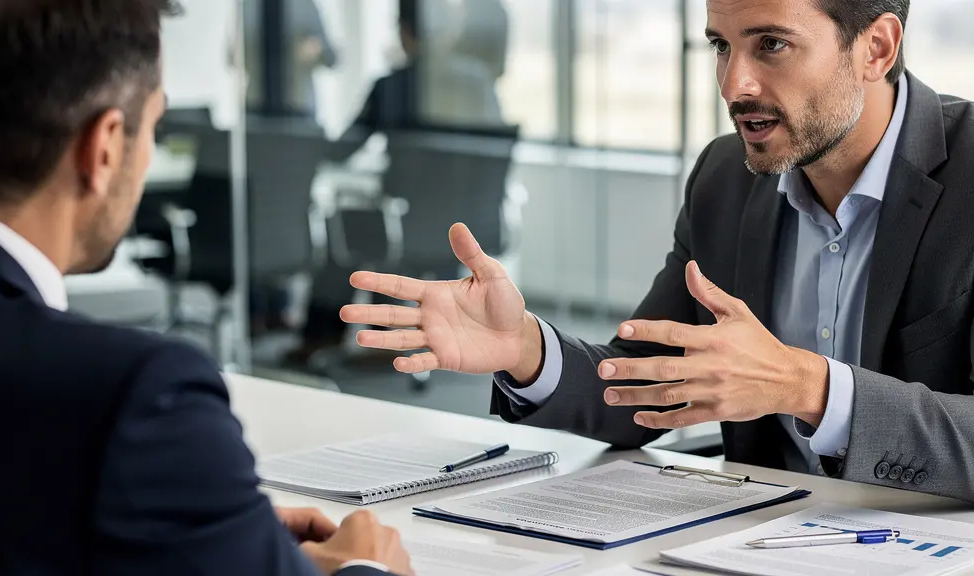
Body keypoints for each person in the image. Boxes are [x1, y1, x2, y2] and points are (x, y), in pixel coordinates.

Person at [342, 0, 974, 503]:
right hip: (750, 546)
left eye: (771, 44)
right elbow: (649, 383)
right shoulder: (726, 177)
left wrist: (806, 387)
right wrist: (528, 351)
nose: (734, 83)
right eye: (721, 46)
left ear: (877, 48)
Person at [0, 1, 412, 575]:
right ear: (106, 147)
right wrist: (363, 569)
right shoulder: (139, 397)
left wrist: (217, 533)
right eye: (155, 125)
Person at [292, 0, 503, 364]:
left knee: (343, 231)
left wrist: (300, 138)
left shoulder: (392, 86)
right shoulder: (479, 83)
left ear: (404, 32)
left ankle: (318, 338)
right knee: (372, 227)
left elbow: (342, 150)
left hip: (408, 225)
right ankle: (387, 329)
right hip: (470, 227)